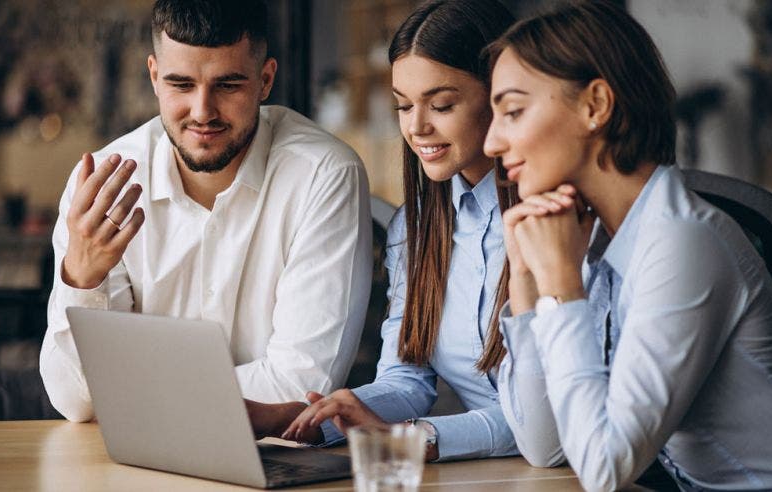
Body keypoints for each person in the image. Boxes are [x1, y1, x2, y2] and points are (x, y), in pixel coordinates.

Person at [484, 1, 772, 490]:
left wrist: (562, 288)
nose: (491, 144)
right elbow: (546, 446)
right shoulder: (592, 237)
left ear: (595, 105)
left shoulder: (682, 241)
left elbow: (605, 468)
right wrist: (527, 280)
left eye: (513, 112)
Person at [248, 0, 563, 465]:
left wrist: (417, 437)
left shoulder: (558, 223)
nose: (416, 127)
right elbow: (405, 380)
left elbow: (549, 423)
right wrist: (306, 419)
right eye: (402, 105)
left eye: (442, 104)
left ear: (503, 97)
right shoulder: (415, 230)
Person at [40, 0, 372, 422]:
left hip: (276, 468)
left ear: (265, 79)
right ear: (155, 77)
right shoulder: (102, 187)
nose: (202, 112)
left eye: (228, 85)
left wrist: (129, 391)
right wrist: (84, 279)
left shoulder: (323, 174)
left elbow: (300, 388)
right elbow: (76, 402)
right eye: (181, 85)